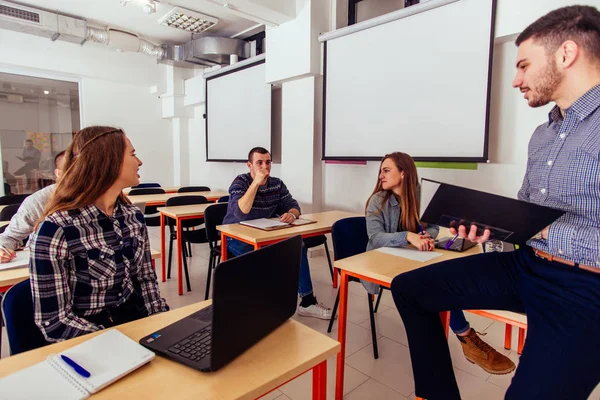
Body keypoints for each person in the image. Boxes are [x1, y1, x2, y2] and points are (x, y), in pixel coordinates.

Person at [390, 6, 600, 399]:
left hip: (586, 286)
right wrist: (494, 226)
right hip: (528, 263)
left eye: (523, 65)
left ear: (566, 54)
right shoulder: (543, 134)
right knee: (409, 289)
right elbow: (529, 212)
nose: (516, 80)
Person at [365, 152, 515, 375]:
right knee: (431, 286)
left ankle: (462, 341)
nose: (381, 175)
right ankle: (466, 338)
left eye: (386, 170)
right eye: (381, 171)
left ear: (403, 172)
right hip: (382, 262)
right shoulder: (378, 201)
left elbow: (433, 227)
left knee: (440, 278)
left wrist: (427, 237)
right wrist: (408, 236)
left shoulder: (419, 195)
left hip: (414, 258)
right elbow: (374, 238)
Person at [29, 126, 169, 342]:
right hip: (89, 335)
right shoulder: (56, 230)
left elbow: (145, 279)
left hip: (134, 321)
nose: (139, 162)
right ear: (108, 163)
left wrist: (161, 323)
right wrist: (114, 342)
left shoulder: (133, 216)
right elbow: (55, 322)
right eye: (132, 154)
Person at [223, 147, 332, 319]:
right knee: (265, 257)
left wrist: (291, 214)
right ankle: (264, 305)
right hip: (235, 236)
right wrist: (255, 184)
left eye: (268, 162)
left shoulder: (276, 184)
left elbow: (295, 206)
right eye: (259, 163)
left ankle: (307, 302)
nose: (264, 167)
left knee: (297, 245)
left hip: (265, 233)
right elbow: (241, 212)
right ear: (249, 165)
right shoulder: (240, 182)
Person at [0, 151, 65, 263]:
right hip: (45, 265)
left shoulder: (101, 198)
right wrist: (2, 249)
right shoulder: (41, 200)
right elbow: (10, 237)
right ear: (58, 173)